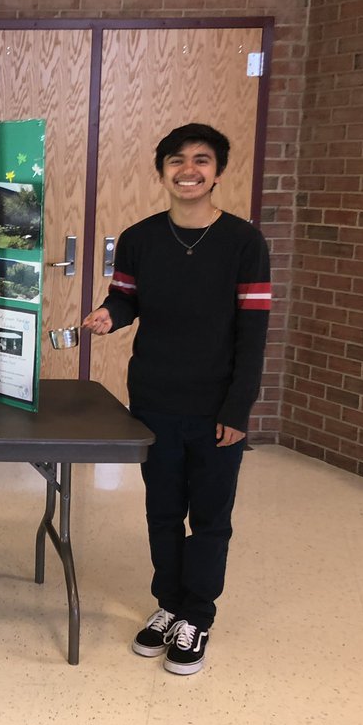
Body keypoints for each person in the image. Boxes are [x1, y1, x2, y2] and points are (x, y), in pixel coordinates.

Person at [81, 123, 270, 676]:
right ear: (161, 169)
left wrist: (239, 410)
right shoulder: (140, 237)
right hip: (155, 399)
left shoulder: (244, 242)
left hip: (217, 410)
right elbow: (126, 298)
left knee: (209, 518)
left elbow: (253, 333)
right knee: (162, 511)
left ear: (218, 171)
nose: (189, 170)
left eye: (202, 160)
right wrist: (107, 315)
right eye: (177, 160)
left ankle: (198, 616)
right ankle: (167, 604)